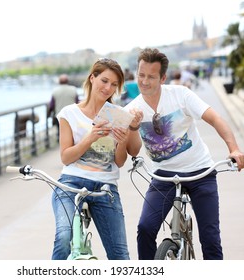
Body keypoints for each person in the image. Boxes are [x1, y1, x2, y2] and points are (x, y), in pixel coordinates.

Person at [125, 48, 244, 260]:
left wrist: (233, 148)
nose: (144, 81)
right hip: (163, 176)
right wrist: (133, 127)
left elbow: (215, 119)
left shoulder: (181, 95)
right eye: (141, 75)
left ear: (163, 78)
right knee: (145, 228)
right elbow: (132, 150)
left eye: (151, 77)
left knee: (210, 238)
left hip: (200, 173)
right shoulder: (132, 109)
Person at [52, 58, 142, 260]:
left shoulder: (119, 115)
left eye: (114, 84)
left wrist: (123, 138)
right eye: (104, 80)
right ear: (92, 78)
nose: (108, 88)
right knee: (64, 237)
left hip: (105, 187)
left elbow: (119, 162)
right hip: (71, 183)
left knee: (120, 255)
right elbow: (66, 158)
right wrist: (90, 137)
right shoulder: (69, 113)